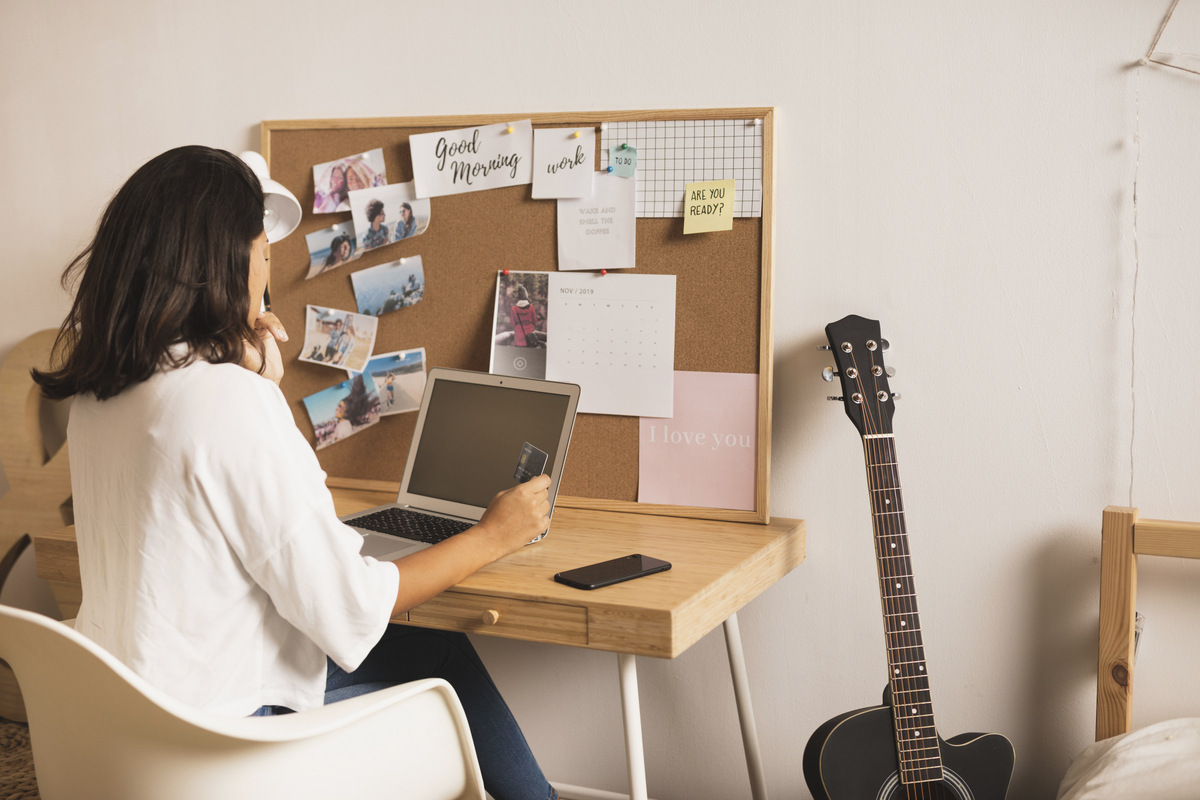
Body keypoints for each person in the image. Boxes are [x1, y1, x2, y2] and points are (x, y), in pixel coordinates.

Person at [32, 145, 558, 800]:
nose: (265, 277)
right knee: (441, 655)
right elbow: (350, 610)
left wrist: (257, 384)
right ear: (223, 263)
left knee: (414, 653)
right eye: (264, 255)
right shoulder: (224, 400)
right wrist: (495, 535)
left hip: (127, 727)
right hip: (218, 747)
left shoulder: (96, 396)